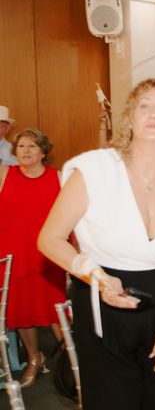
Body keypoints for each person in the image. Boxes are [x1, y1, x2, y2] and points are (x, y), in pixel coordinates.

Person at [38, 78, 155, 409]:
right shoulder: (95, 170)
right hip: (105, 300)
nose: (154, 114)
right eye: (145, 106)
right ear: (131, 117)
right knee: (114, 401)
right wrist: (97, 277)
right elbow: (50, 238)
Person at [0, 128, 65, 387]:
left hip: (47, 255)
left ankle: (68, 359)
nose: (26, 151)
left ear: (43, 151)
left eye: (32, 146)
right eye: (22, 146)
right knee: (21, 312)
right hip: (13, 255)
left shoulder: (59, 177)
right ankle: (34, 358)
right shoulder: (4, 174)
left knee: (56, 310)